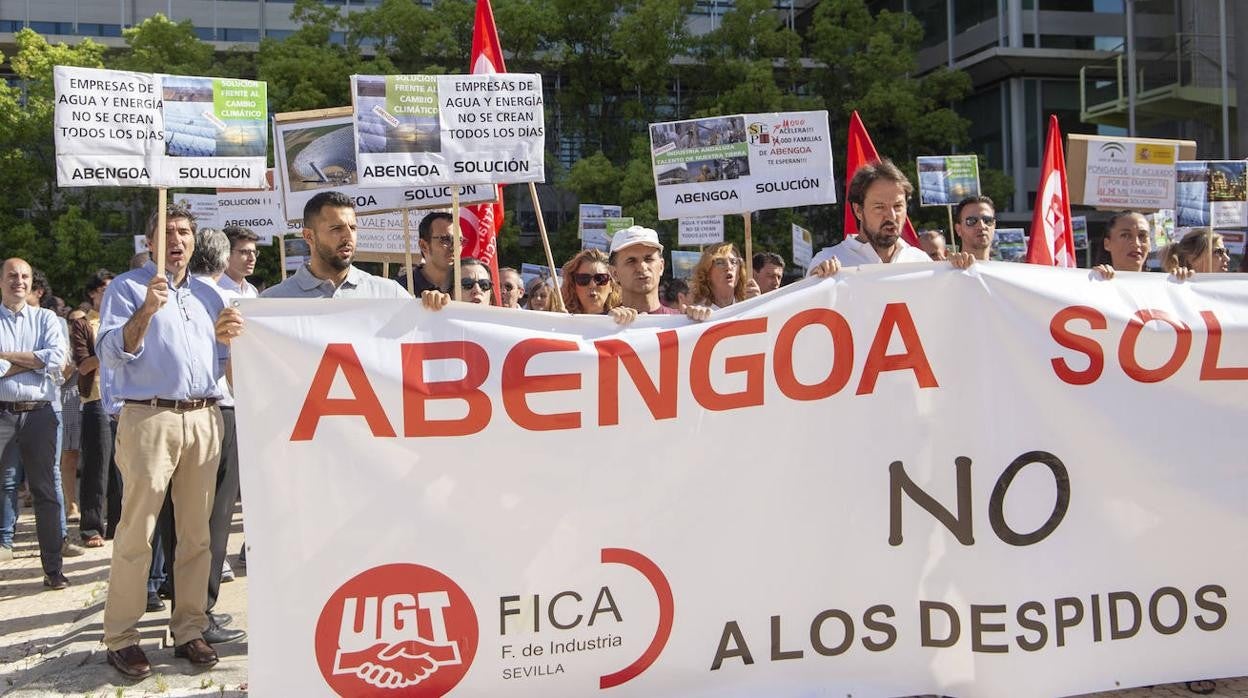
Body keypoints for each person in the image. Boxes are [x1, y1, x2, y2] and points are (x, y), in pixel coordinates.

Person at [98, 203, 229, 678]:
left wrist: (236, 338)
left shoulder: (210, 297)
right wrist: (146, 312)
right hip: (149, 418)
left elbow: (227, 360)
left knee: (197, 534)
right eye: (167, 232)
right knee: (139, 531)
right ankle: (122, 636)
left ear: (195, 242)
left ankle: (190, 627)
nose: (177, 240)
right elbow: (111, 354)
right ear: (149, 243)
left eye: (185, 232)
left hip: (204, 417)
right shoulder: (126, 288)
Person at [0, 258, 69, 586]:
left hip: (40, 413)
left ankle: (53, 568)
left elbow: (57, 359)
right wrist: (34, 359)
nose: (19, 281)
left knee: (45, 491)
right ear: (1, 281)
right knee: (4, 486)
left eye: (25, 276)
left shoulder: (47, 318)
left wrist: (6, 357)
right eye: (12, 276)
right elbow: (45, 360)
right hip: (1, 412)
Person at [261, 191, 410, 300]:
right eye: (336, 229)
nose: (348, 236)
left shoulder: (390, 294)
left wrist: (431, 308)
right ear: (309, 236)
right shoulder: (273, 301)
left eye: (353, 228)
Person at [808, 159, 930, 270]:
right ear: (858, 210)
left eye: (898, 206)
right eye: (880, 207)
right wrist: (817, 282)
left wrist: (949, 272)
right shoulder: (826, 263)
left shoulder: (921, 262)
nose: (892, 216)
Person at [70, 270, 117, 549]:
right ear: (93, 293)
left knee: (121, 467)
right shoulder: (83, 323)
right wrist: (114, 350)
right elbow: (84, 364)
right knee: (97, 465)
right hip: (96, 399)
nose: (109, 296)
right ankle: (90, 527)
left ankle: (119, 522)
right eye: (104, 290)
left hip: (124, 399)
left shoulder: (123, 319)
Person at [607, 225, 711, 320]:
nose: (642, 267)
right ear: (614, 273)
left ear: (661, 266)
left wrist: (700, 324)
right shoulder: (600, 328)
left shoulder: (683, 322)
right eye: (631, 261)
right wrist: (607, 325)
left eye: (648, 259)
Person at [398, 211, 455, 295]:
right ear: (424, 245)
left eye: (459, 240)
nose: (454, 247)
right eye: (445, 240)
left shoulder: (470, 286)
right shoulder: (400, 289)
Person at [689, 243, 758, 309]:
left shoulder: (747, 306)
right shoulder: (697, 312)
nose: (729, 267)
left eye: (733, 262)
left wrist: (757, 304)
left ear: (739, 273)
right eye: (720, 263)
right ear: (707, 273)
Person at [560, 249, 620, 315]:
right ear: (573, 285)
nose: (592, 285)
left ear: (611, 286)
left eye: (600, 278)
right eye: (583, 279)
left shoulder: (622, 320)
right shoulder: (559, 321)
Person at [1162, 228, 1230, 274]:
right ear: (1191, 258)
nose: (1227, 258)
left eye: (1226, 252)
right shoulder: (1173, 288)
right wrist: (1178, 282)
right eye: (1219, 252)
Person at [218, 226, 261, 298]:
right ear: (225, 253)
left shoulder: (252, 291)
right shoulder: (212, 290)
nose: (252, 258)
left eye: (254, 252)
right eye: (244, 252)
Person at [951, 196, 996, 262]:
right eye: (971, 221)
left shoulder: (1006, 270)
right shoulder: (944, 270)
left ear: (994, 226)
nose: (981, 226)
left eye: (987, 220)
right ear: (958, 229)